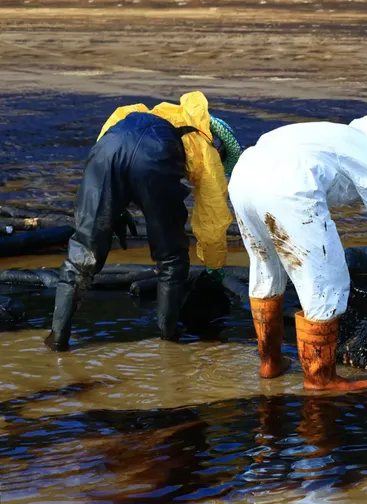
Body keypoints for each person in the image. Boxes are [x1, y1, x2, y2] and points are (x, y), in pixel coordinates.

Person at [228, 115, 367, 392]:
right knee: (325, 280)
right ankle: (320, 378)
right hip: (288, 183)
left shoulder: (332, 136)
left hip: (244, 177)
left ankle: (270, 363)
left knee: (266, 268)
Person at [45, 91, 242, 352]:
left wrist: (116, 207)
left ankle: (57, 338)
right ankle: (169, 341)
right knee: (171, 258)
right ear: (218, 143)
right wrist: (215, 266)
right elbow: (212, 217)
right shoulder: (205, 148)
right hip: (155, 158)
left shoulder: (134, 111)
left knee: (83, 253)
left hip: (107, 150)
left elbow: (107, 147)